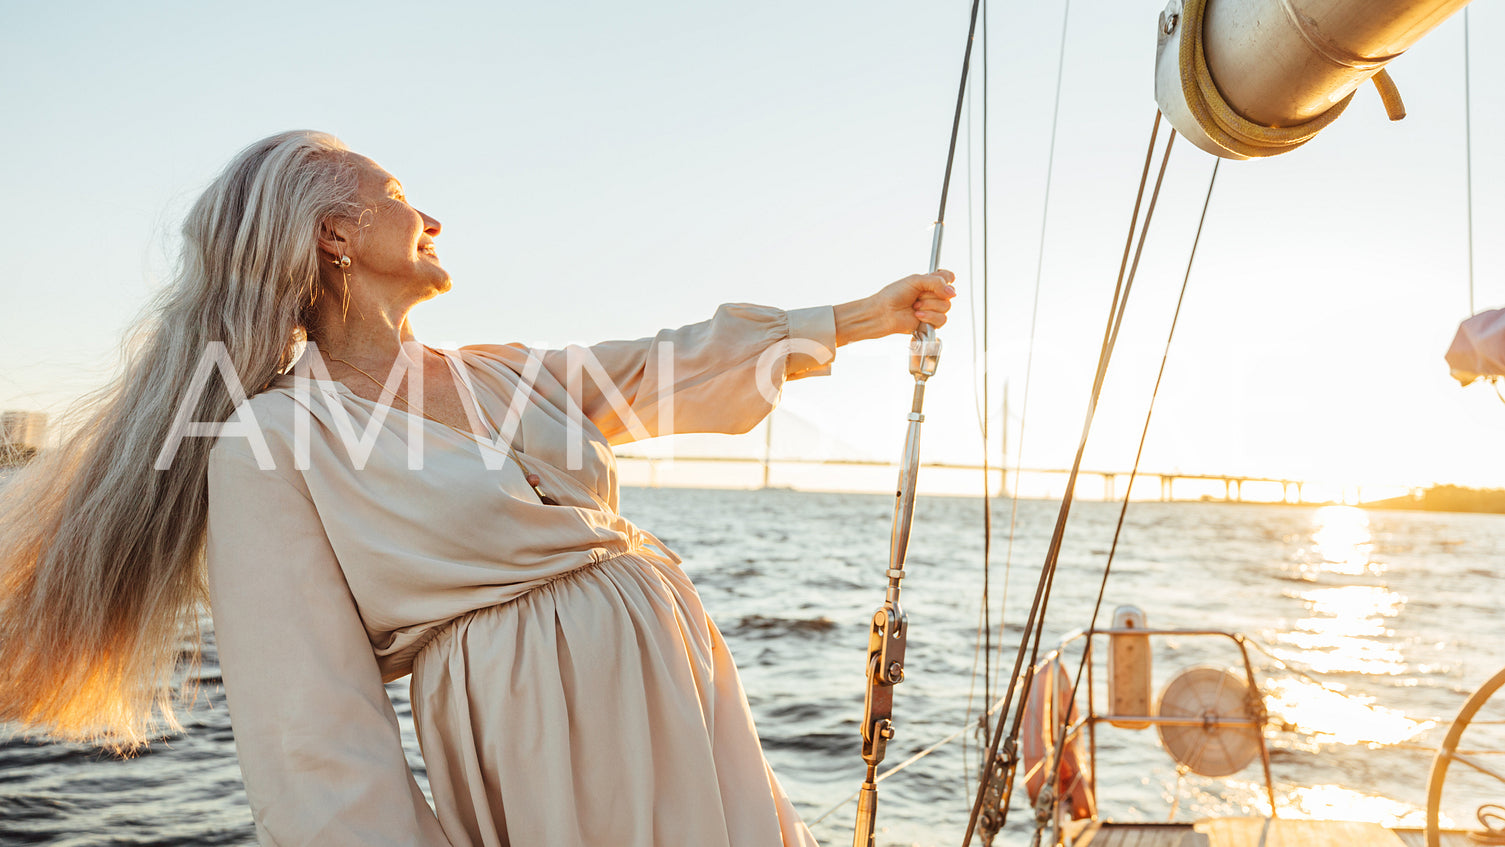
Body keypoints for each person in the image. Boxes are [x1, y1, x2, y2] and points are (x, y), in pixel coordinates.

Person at [0, 130, 955, 847]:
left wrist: (861, 317)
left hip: (688, 689)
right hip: (542, 731)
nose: (432, 217)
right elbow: (312, 722)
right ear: (335, 232)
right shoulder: (271, 438)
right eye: (401, 195)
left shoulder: (500, 372)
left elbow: (665, 367)